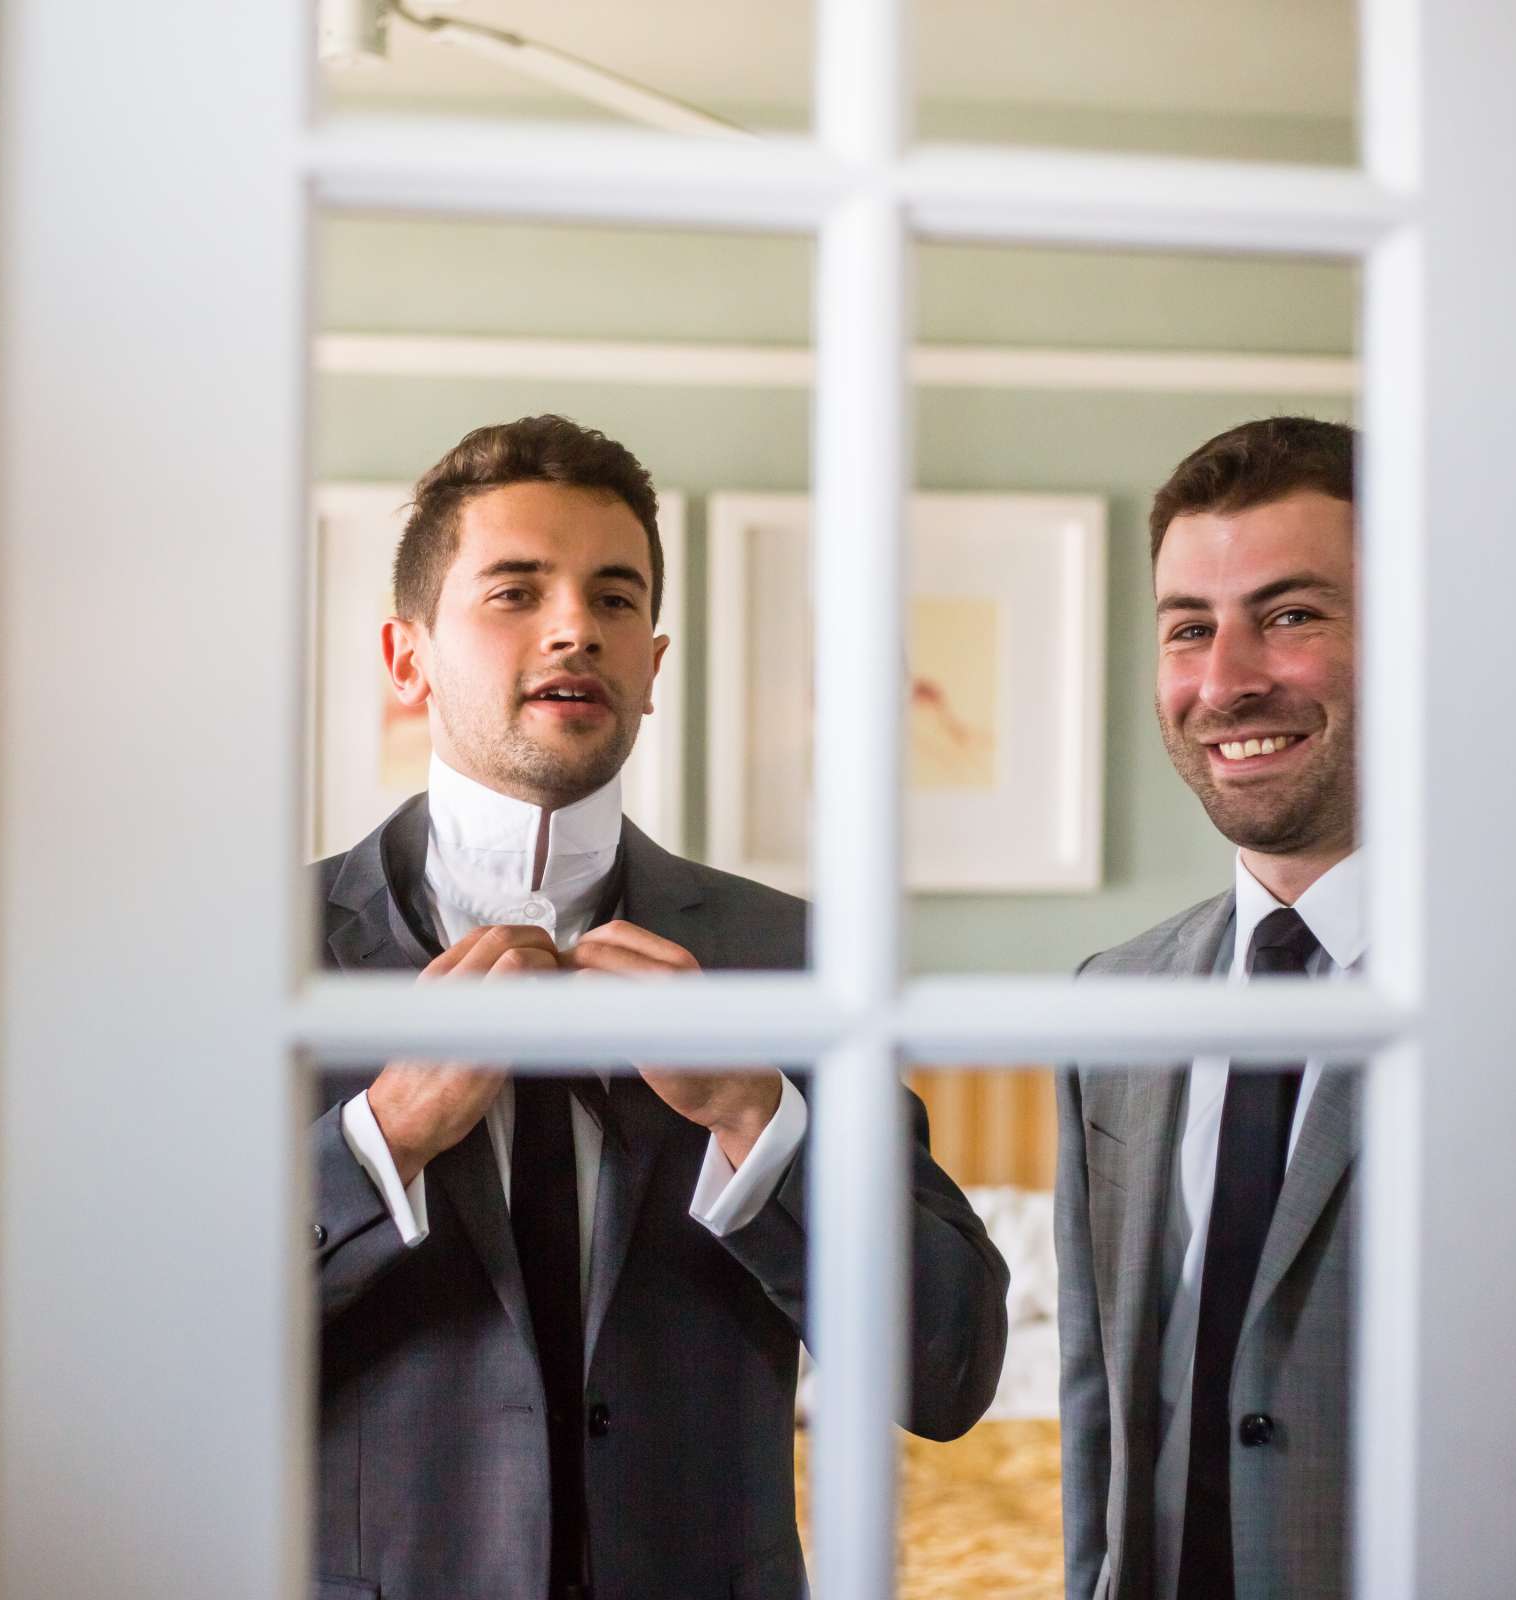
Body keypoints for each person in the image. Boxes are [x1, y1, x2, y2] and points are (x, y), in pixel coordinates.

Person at [309, 414, 1009, 1600]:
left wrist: (755, 1109)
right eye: (516, 591)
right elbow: (152, 1356)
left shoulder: (792, 956)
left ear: (651, 663)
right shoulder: (259, 957)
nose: (576, 625)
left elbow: (947, 1370)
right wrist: (386, 1135)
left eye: (614, 597)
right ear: (406, 656)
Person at [1056, 417, 1361, 1600]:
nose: (1226, 680)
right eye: (1190, 628)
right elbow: (1099, 1397)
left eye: (1290, 615)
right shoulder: (1112, 1003)